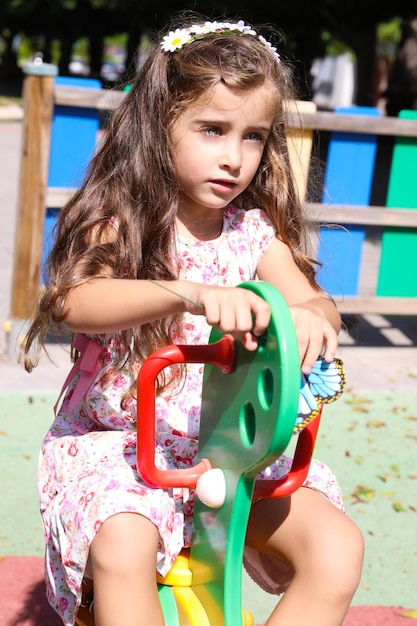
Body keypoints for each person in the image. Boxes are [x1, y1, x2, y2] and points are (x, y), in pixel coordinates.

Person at [22, 13, 364, 626]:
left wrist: (314, 316)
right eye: (212, 129)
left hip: (230, 455)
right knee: (124, 544)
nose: (234, 158)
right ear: (159, 127)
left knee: (337, 548)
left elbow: (312, 299)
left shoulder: (254, 236)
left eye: (254, 136)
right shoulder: (124, 225)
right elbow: (74, 301)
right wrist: (183, 292)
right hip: (125, 451)